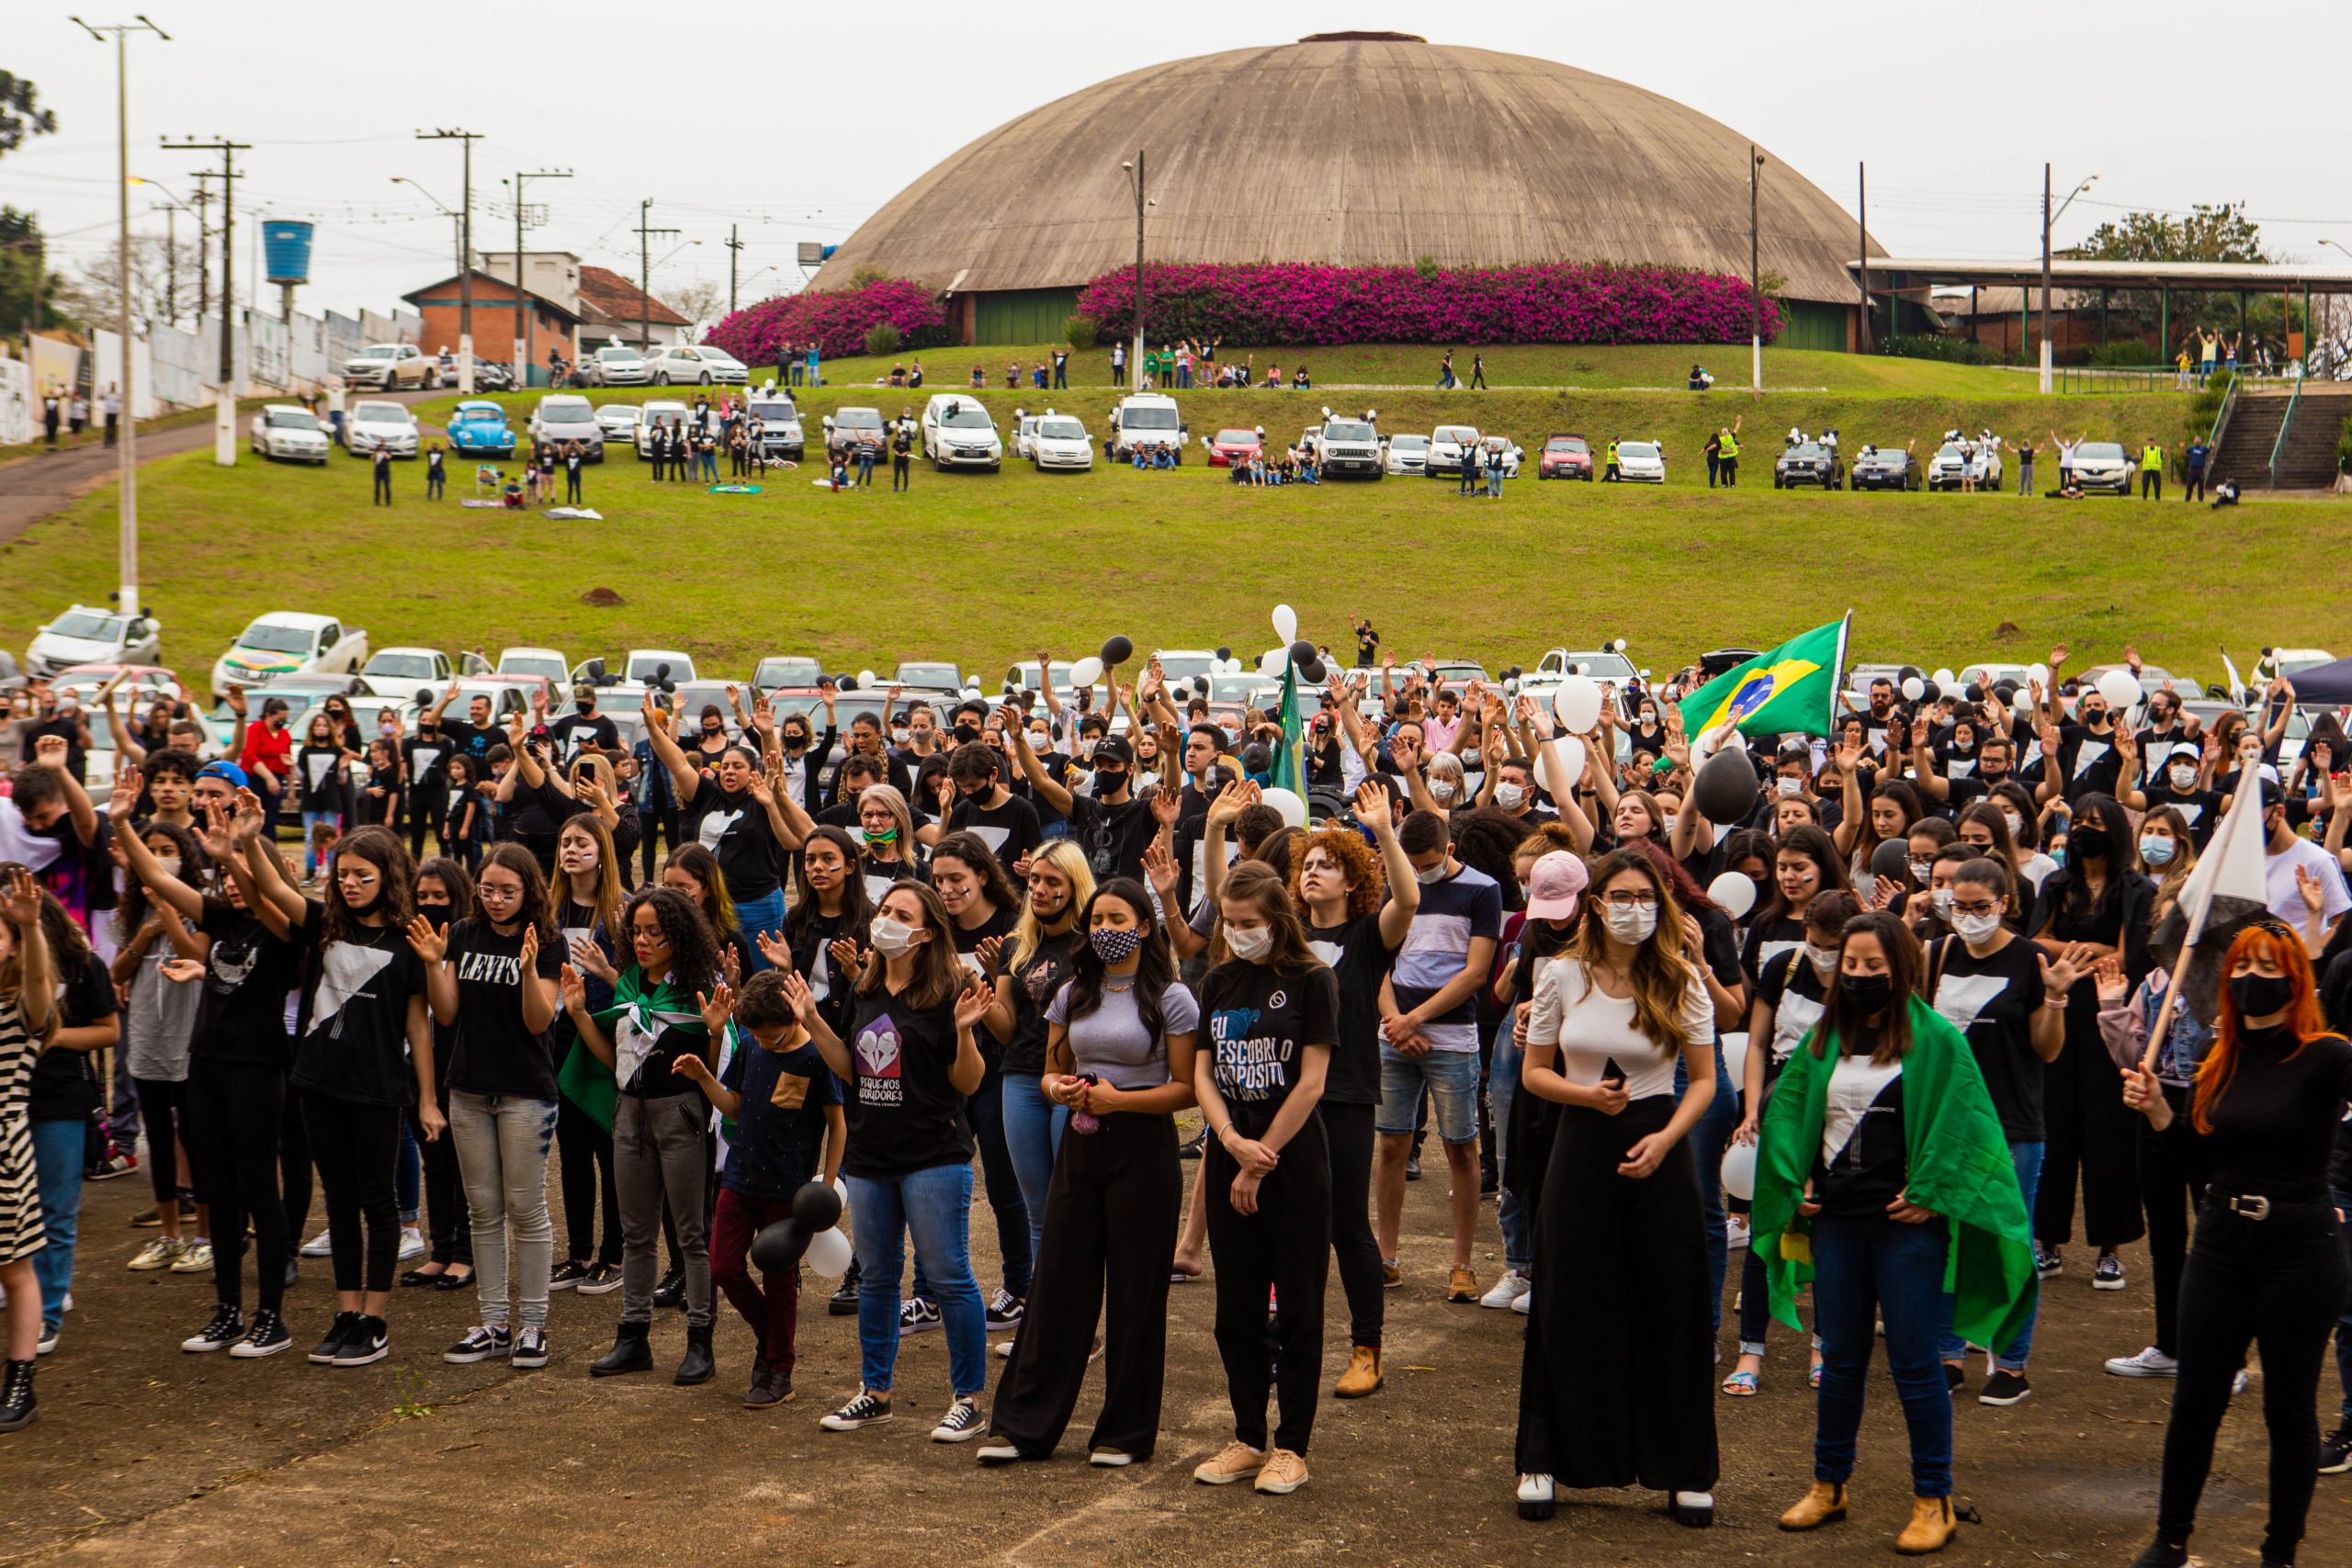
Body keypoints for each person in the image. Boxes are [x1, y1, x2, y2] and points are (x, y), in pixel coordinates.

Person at [1754, 909, 2035, 1556]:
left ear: (1900, 968)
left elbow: (1968, 1124)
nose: (1857, 974)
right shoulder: (1824, 1038)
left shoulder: (1937, 1038)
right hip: (1839, 1225)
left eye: (1872, 965)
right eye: (1849, 964)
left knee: (1914, 1364)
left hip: (1906, 1226)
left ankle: (1933, 1498)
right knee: (1842, 1360)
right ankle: (1829, 1485)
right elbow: (1790, 1112)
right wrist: (1794, 1181)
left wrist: (1934, 1193)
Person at [2119, 922, 2352, 1568]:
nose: (2252, 974)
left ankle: (2279, 1553)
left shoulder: (2328, 1054)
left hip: (2300, 1250)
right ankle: (2169, 1540)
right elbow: (2205, 1159)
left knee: (2289, 1408)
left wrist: (2336, 1188)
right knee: (2196, 1398)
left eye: (2267, 963)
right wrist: (2162, 1114)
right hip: (2220, 1242)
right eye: (2241, 962)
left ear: (2295, 976)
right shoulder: (2218, 1058)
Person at [1513, 847, 1718, 1528]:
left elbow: (1707, 1078)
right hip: (1581, 1137)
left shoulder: (1681, 978)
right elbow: (1534, 1073)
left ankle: (1684, 1467)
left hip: (1659, 1138)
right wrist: (1586, 1095)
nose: (1636, 908)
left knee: (1672, 1298)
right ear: (1596, 904)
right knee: (1568, 1293)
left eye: (1647, 896)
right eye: (1622, 895)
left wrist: (1665, 1140)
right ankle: (1543, 1458)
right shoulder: (1562, 975)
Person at [978, 877, 1198, 1465]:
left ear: (1145, 928)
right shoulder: (1072, 993)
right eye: (1097, 920)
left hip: (1142, 1148)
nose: (1104, 930)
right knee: (1058, 1283)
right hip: (1082, 1142)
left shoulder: (1172, 998)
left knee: (1136, 1292)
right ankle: (1025, 1427)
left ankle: (1123, 1434)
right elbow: (1049, 1071)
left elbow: (1185, 1090)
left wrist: (1119, 1100)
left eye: (1118, 919)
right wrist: (1064, 1089)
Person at [788, 881, 993, 1441]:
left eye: (902, 914)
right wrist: (811, 1018)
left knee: (949, 1276)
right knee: (878, 1278)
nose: (886, 920)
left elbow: (966, 1083)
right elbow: (853, 1070)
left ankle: (969, 1399)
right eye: (885, 910)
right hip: (871, 1155)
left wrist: (966, 1034)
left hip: (933, 1156)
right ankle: (875, 1392)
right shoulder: (867, 986)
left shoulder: (951, 990)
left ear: (925, 935)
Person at [1188, 861, 1336, 1495]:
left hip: (1292, 1158)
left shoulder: (1312, 979)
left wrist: (1261, 1154)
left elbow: (1312, 1080)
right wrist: (1228, 1140)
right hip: (1231, 1147)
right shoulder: (1218, 979)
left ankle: (1292, 1444)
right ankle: (1249, 1436)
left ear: (1276, 920)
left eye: (1249, 922)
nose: (1237, 930)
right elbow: (1203, 1072)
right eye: (1228, 919)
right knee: (1236, 1308)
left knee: (1299, 1306)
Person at [562, 886, 729, 1385]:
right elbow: (615, 1060)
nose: (643, 940)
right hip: (629, 1114)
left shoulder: (700, 986)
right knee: (636, 1235)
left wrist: (718, 1030)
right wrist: (576, 1014)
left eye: (655, 931)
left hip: (679, 1114)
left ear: (678, 934)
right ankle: (633, 1337)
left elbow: (722, 1068)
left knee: (691, 1234)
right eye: (636, 931)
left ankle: (701, 1340)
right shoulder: (629, 983)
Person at [1926, 857, 2075, 1404]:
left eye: (1979, 908)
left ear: (2005, 904)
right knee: (1941, 1243)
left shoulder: (2031, 959)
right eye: (1957, 907)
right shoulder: (1936, 954)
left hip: (2012, 1123)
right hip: (1944, 1124)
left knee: (2009, 1241)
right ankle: (1946, 1354)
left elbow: (2048, 1049)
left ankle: (2011, 1364)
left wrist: (2056, 997)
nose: (1967, 917)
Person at [1286, 782, 1419, 1393]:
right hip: (1284, 1098)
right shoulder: (1284, 938)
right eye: (1308, 864)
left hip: (1344, 1095)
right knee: (1291, 1225)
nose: (1314, 872)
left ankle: (1367, 1347)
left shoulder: (1368, 937)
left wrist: (1384, 833)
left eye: (1328, 865)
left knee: (1346, 1225)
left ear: (1350, 880)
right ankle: (1293, 1344)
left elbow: (1409, 899)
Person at [414, 843, 564, 1371]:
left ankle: (533, 1327)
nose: (497, 899)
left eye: (508, 891)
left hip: (525, 1090)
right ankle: (494, 1322)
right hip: (469, 1089)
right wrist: (435, 964)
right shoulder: (462, 934)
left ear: (529, 892)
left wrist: (526, 971)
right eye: (488, 889)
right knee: (483, 1210)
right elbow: (447, 1012)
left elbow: (538, 1022)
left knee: (526, 1209)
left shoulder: (546, 941)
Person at [1374, 809, 1499, 1303]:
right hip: (1395, 1033)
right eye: (1410, 862)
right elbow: (1379, 958)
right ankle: (1385, 1257)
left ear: (1449, 849)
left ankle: (1462, 1263)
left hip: (1450, 1036)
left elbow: (1475, 973)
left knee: (1460, 1147)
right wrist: (1392, 1020)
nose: (1419, 872)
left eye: (1426, 863)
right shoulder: (1396, 883)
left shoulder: (1482, 890)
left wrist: (1414, 1019)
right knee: (1389, 1146)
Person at [0, 868, 58, 1432]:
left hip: (4, 1153)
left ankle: (20, 1379)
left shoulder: (21, 1005)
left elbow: (41, 990)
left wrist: (32, 926)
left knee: (15, 1269)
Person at [371, 442, 394, 506]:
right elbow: (372, 459)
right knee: (377, 487)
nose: (382, 445)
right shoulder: (376, 451)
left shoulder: (388, 450)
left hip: (385, 471)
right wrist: (375, 452)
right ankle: (376, 502)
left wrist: (382, 452)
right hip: (378, 471)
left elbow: (389, 457)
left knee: (387, 487)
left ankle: (388, 502)